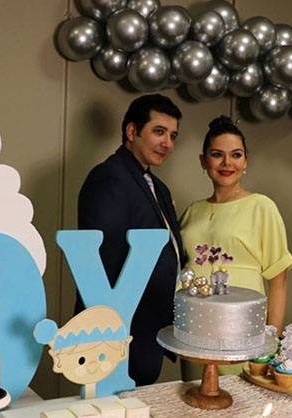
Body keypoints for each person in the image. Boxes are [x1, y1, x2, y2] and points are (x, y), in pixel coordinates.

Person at [76, 94, 184, 386]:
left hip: (150, 326)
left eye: (173, 136)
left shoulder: (157, 186)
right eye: (159, 132)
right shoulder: (109, 177)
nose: (167, 143)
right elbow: (105, 261)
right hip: (120, 330)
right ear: (132, 131)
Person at [179, 116, 292, 377]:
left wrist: (270, 343)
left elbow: (279, 280)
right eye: (217, 155)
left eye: (236, 155)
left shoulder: (261, 207)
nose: (227, 163)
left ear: (246, 161)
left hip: (241, 331)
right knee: (193, 397)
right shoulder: (192, 211)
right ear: (203, 161)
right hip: (194, 330)